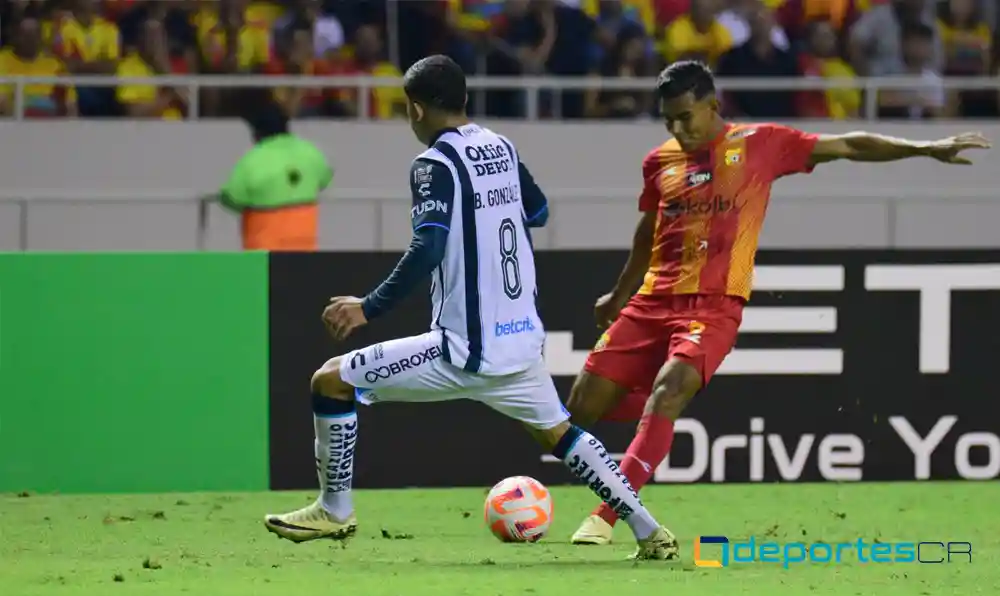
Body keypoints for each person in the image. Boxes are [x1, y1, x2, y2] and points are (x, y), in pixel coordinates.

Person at [262, 54, 678, 561]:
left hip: (460, 348)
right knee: (562, 433)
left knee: (330, 380)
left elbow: (428, 247)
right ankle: (649, 530)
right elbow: (539, 211)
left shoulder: (433, 165)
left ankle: (335, 510)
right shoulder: (499, 147)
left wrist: (367, 307)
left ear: (415, 110)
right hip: (520, 340)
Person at [567, 59, 990, 546]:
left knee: (669, 391)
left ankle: (607, 516)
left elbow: (848, 145)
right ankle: (642, 423)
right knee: (578, 413)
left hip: (714, 306)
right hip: (651, 300)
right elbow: (647, 232)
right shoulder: (659, 162)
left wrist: (925, 148)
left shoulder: (760, 144)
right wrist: (619, 294)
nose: (677, 129)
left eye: (686, 117)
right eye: (668, 121)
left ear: (712, 106)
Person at [214, 88, 331, 251]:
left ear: (256, 132)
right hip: (305, 248)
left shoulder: (252, 160)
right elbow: (324, 179)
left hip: (265, 250)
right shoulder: (310, 152)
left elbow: (232, 196)